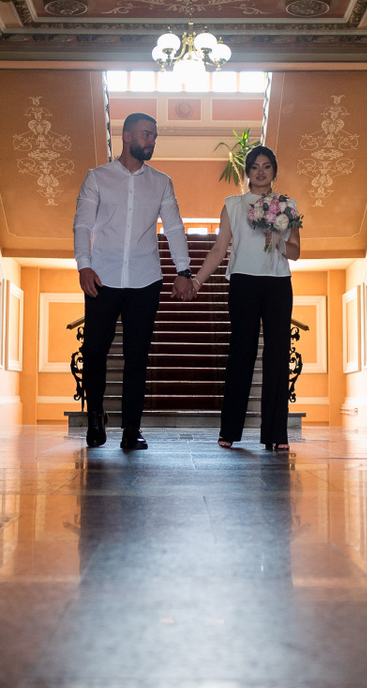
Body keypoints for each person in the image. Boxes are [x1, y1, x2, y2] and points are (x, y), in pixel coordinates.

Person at [72, 112, 196, 450]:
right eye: (146, 134)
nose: (151, 141)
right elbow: (83, 224)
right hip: (102, 277)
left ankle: (131, 429)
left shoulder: (161, 182)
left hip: (145, 279)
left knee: (137, 355)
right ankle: (95, 418)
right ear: (127, 136)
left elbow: (174, 227)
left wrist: (183, 271)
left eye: (154, 136)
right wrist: (84, 265)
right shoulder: (97, 177)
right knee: (93, 350)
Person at [188, 145, 300, 452]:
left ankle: (276, 434)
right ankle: (229, 430)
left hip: (278, 284)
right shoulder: (233, 205)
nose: (261, 172)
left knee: (278, 356)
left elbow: (296, 252)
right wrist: (197, 280)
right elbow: (218, 249)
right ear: (247, 172)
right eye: (254, 167)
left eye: (266, 166)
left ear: (274, 170)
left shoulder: (287, 205)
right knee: (241, 354)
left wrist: (278, 241)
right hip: (243, 283)